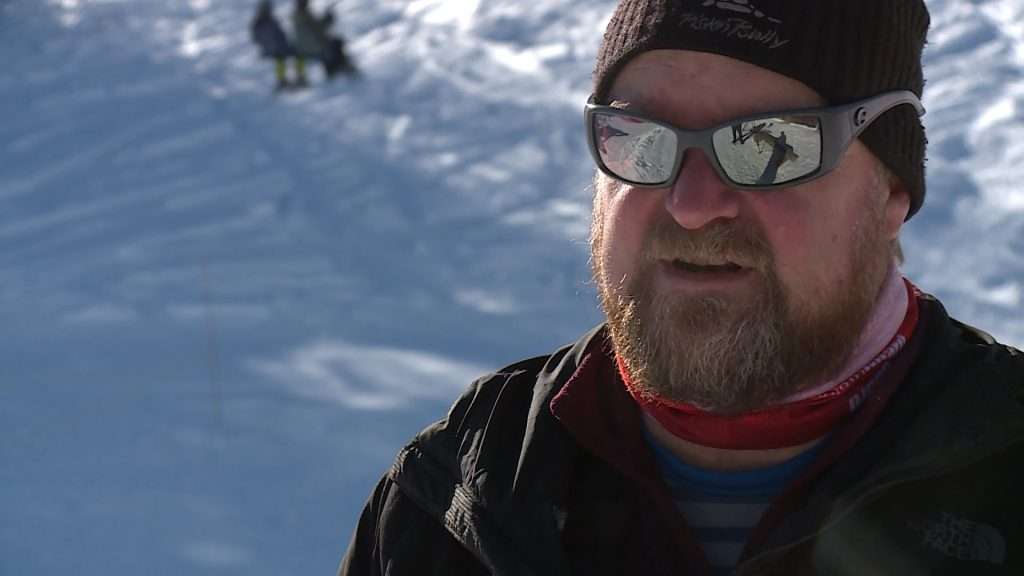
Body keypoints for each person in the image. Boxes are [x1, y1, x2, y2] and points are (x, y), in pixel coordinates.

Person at [340, 1, 1024, 574]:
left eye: (769, 145)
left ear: (892, 191)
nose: (692, 204)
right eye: (641, 139)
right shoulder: (455, 491)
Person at [249, 0, 293, 90]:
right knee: (282, 57)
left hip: (274, 46)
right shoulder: (264, 22)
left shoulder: (261, 22)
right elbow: (277, 35)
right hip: (273, 48)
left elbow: (280, 34)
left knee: (286, 56)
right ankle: (282, 80)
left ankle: (285, 79)